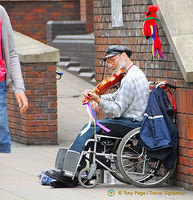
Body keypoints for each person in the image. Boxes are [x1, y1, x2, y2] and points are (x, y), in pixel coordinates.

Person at [45, 45, 149, 186]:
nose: (110, 64)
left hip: (131, 123)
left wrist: (99, 100)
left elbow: (117, 109)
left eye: (113, 60)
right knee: (93, 129)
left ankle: (70, 172)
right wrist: (96, 97)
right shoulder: (133, 73)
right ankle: (78, 170)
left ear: (124, 55)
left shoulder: (130, 79)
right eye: (108, 61)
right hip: (130, 120)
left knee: (90, 127)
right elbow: (116, 96)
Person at [0, 5, 28, 153]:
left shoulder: (0, 12)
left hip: (0, 85)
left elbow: (11, 53)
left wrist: (19, 88)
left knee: (1, 137)